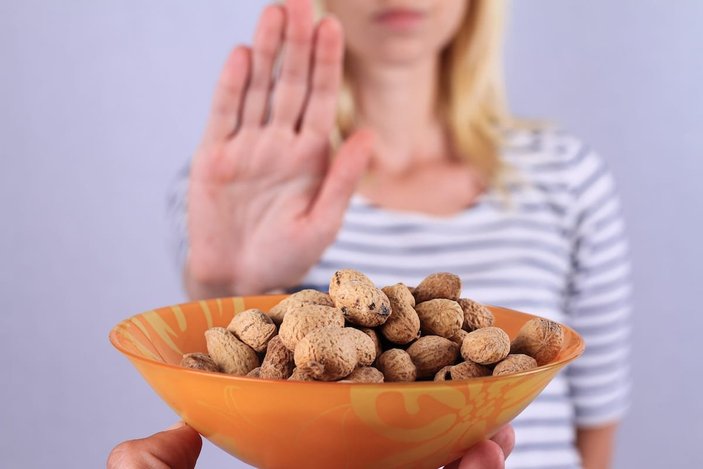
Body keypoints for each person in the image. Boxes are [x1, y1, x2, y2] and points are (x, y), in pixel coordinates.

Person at [112, 0, 632, 467]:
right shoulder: (250, 183)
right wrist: (225, 285)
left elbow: (597, 421)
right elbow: (238, 380)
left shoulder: (566, 174)